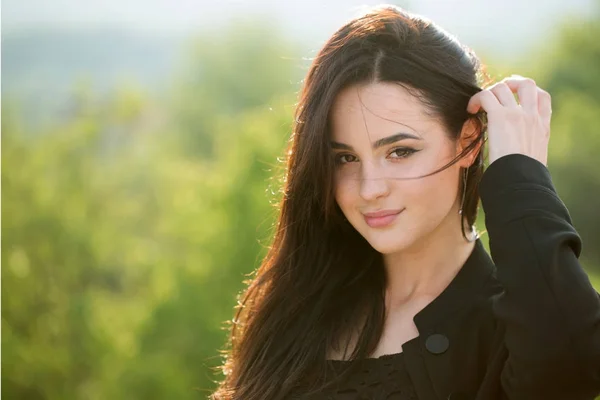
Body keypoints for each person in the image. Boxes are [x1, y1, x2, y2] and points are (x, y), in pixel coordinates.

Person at [210, 5, 600, 400]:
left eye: (400, 151)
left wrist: (519, 176)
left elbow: (573, 363)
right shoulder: (300, 307)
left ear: (468, 142)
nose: (369, 189)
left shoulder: (510, 330)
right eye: (346, 158)